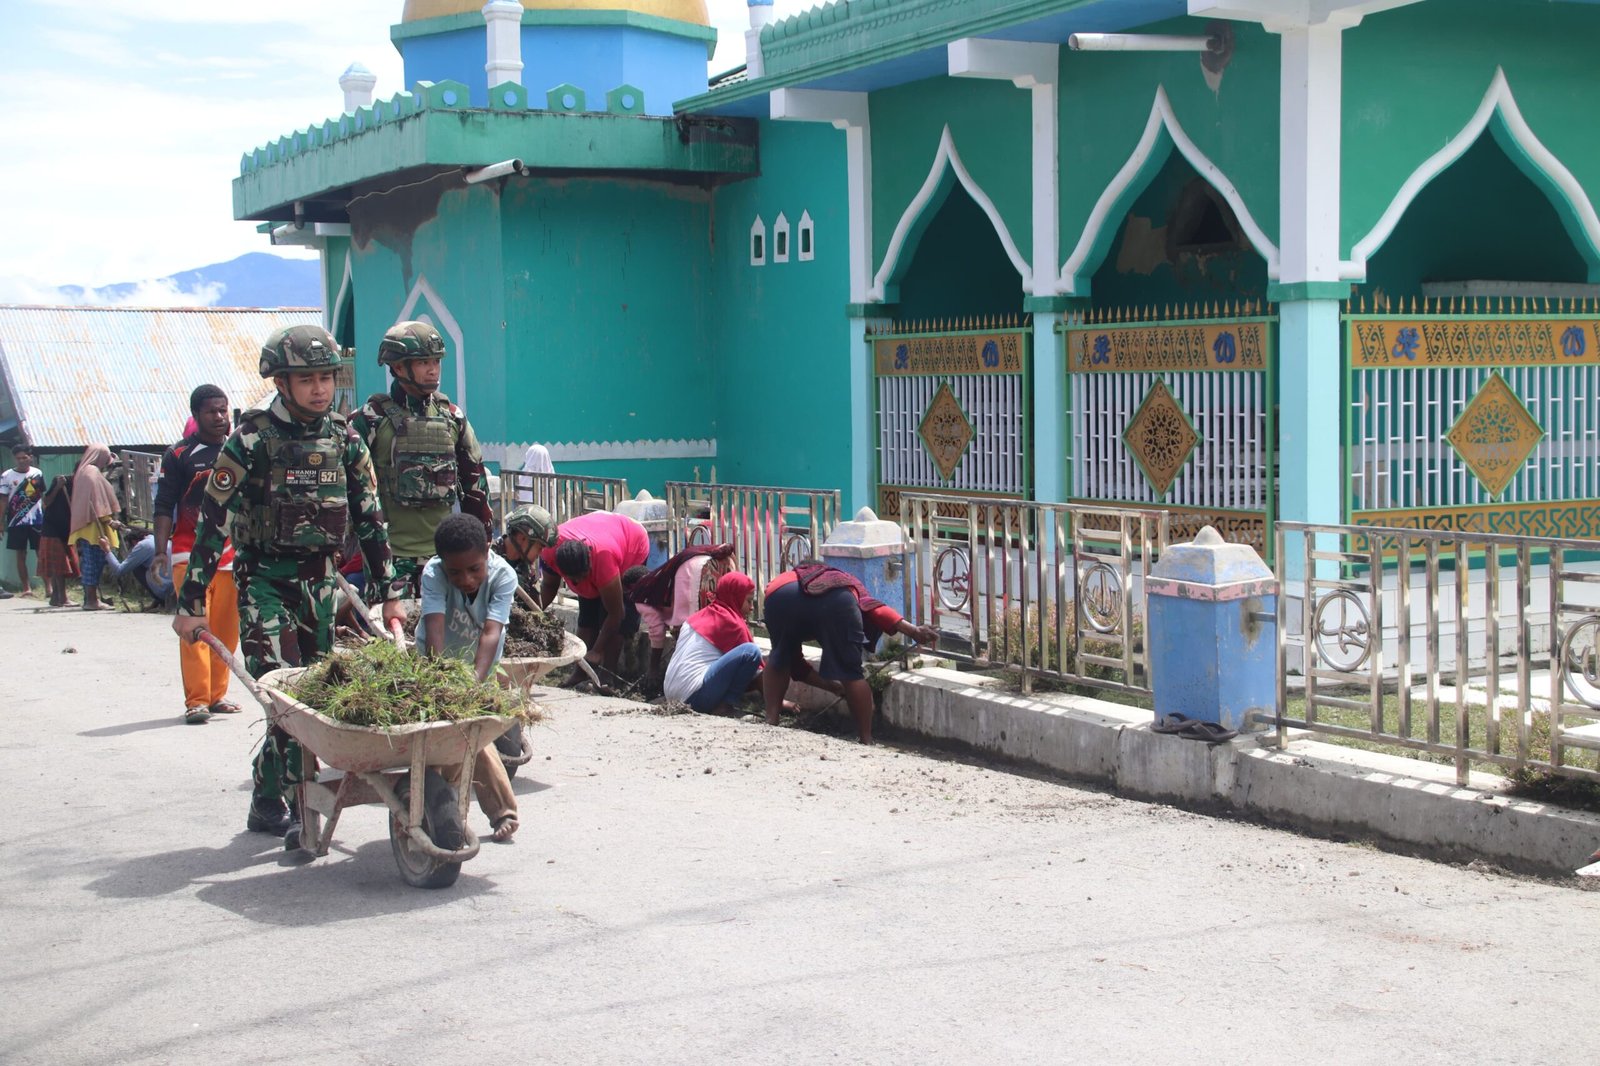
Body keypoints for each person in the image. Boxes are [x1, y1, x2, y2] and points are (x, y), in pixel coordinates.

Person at [173, 325, 405, 838]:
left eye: (326, 377)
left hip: (321, 584)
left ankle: (273, 794)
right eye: (307, 379)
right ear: (281, 382)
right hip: (263, 584)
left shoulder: (344, 438)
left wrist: (391, 594)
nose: (320, 389)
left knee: (315, 699)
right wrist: (192, 602)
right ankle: (287, 801)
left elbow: (370, 518)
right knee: (284, 694)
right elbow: (213, 520)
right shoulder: (252, 439)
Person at [351, 321, 493, 597]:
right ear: (399, 367)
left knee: (450, 639)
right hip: (390, 560)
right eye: (423, 362)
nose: (433, 369)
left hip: (445, 559)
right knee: (394, 638)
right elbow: (352, 490)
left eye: (436, 361)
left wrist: (482, 547)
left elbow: (476, 487)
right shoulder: (370, 419)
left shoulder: (452, 417)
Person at [417, 513, 522, 842]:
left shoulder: (503, 576)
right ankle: (435, 808)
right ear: (443, 565)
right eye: (456, 572)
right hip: (437, 665)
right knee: (437, 740)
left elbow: (491, 632)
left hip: (480, 666)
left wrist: (474, 684)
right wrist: (439, 677)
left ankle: (502, 810)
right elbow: (434, 625)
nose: (465, 579)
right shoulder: (433, 574)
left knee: (474, 735)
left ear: (488, 550)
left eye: (474, 569)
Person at [761, 562, 938, 744]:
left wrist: (833, 687)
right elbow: (876, 609)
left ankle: (771, 720)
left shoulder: (791, 577)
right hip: (836, 603)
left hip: (778, 596)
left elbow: (794, 666)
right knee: (851, 674)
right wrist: (914, 631)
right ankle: (866, 739)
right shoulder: (848, 584)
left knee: (779, 657)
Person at [153, 384, 241, 725]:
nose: (219, 417)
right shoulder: (178, 456)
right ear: (196, 415)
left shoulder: (240, 451)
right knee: (194, 624)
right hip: (188, 555)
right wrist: (161, 550)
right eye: (211, 411)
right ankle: (197, 700)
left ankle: (218, 695)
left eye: (223, 410)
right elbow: (164, 506)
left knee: (226, 629)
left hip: (232, 556)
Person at [537, 510, 650, 677]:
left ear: (588, 565)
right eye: (573, 580)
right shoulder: (549, 551)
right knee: (588, 615)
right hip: (599, 532)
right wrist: (534, 614)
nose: (579, 583)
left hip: (631, 542)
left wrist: (597, 651)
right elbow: (549, 586)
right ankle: (580, 674)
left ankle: (607, 674)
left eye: (583, 577)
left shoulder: (603, 560)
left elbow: (617, 613)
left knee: (620, 619)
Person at [661, 571, 769, 714]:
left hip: (669, 693)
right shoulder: (733, 623)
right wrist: (777, 703)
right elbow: (759, 672)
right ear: (735, 598)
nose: (752, 607)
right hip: (694, 696)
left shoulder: (694, 618)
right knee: (751, 652)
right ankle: (726, 705)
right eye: (749, 601)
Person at [627, 543, 736, 680]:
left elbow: (657, 631)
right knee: (721, 620)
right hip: (720, 561)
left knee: (694, 630)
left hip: (692, 572)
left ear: (629, 588)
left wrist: (653, 668)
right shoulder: (659, 581)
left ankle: (698, 681)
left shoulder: (640, 594)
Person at [68, 444, 122, 612]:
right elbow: (98, 502)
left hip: (88, 525)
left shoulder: (84, 471)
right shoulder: (92, 472)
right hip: (94, 527)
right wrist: (108, 520)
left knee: (91, 563)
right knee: (93, 564)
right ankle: (91, 600)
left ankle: (91, 598)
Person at [1, 446, 45, 598]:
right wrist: (1, 522)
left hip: (37, 520)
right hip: (16, 521)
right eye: (18, 458)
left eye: (24, 457)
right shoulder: (7, 475)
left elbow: (42, 497)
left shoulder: (37, 473)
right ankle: (27, 589)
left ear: (30, 457)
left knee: (41, 553)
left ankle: (49, 588)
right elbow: (3, 500)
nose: (21, 461)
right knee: (21, 554)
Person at [495, 504, 558, 594]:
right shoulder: (487, 560)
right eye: (540, 547)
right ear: (522, 538)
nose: (540, 553)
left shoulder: (527, 571)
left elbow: (534, 606)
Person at [36, 471, 76, 607]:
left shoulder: (81, 484)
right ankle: (62, 597)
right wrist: (58, 487)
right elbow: (46, 502)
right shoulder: (62, 480)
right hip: (52, 529)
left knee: (60, 566)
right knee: (59, 566)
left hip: (66, 530)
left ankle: (56, 597)